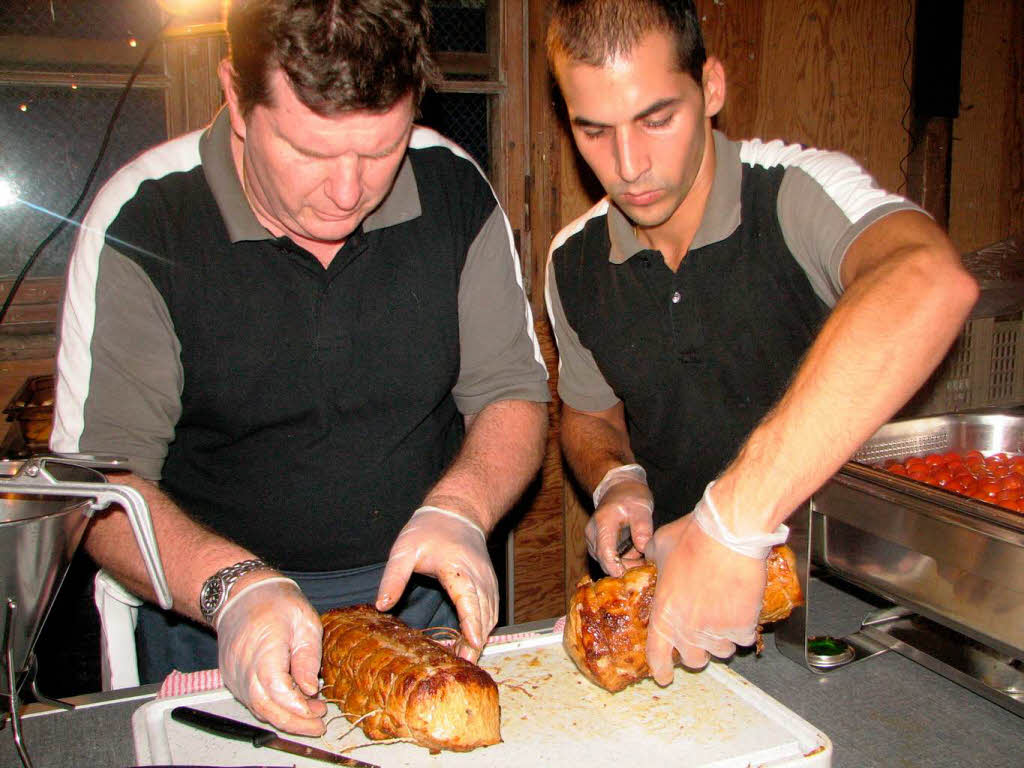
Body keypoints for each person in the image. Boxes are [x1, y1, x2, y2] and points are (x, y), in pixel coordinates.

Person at [51, 0, 549, 736]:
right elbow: (99, 488)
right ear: (235, 97)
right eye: (311, 153)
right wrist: (233, 588)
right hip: (208, 617)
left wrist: (462, 507)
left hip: (417, 610)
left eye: (382, 149)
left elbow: (511, 391)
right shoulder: (144, 217)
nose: (348, 191)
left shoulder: (455, 189)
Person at [544, 0, 977, 687]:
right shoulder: (573, 262)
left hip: (848, 613)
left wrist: (730, 520)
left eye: (657, 119)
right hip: (679, 619)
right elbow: (590, 413)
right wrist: (616, 478)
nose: (629, 165)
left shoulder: (795, 193)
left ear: (711, 87)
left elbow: (929, 282)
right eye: (594, 131)